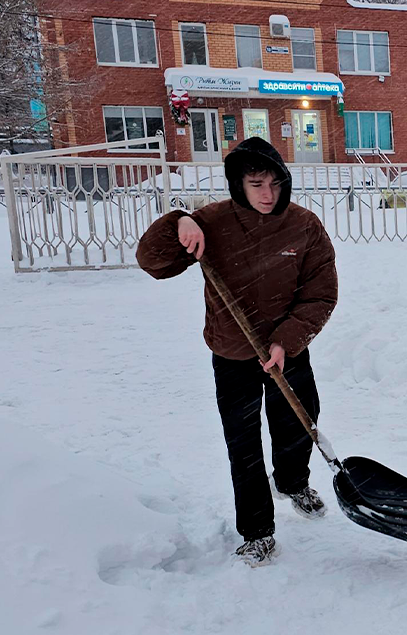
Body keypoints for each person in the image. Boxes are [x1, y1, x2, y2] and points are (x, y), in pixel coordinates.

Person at [136, 138, 338, 567]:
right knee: (243, 446)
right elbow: (153, 262)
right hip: (232, 353)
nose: (268, 194)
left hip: (287, 349)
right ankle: (258, 531)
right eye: (256, 184)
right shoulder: (212, 222)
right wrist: (177, 222)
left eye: (275, 183)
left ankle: (292, 482)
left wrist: (285, 341)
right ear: (238, 184)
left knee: (299, 424)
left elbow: (321, 293)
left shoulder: (304, 226)